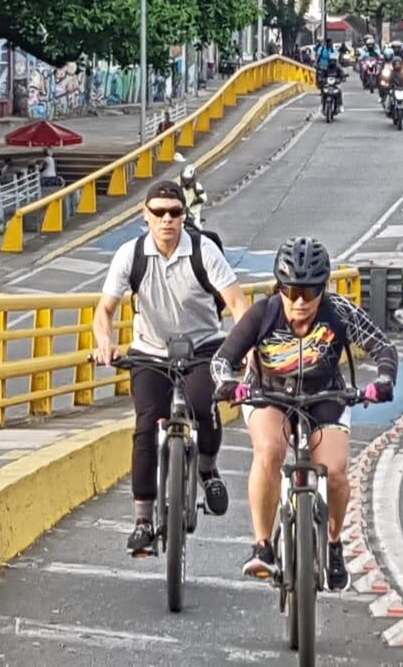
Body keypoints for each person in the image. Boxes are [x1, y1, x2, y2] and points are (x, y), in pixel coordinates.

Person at [211, 237, 397, 590]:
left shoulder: (339, 311)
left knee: (336, 472)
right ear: (279, 287)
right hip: (269, 393)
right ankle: (262, 546)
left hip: (325, 394)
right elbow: (223, 359)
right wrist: (227, 384)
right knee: (270, 451)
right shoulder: (263, 314)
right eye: (291, 291)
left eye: (310, 292)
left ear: (323, 288)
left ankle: (334, 545)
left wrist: (385, 379)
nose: (300, 301)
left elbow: (382, 346)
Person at [92, 182, 252, 556]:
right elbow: (105, 311)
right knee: (146, 425)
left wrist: (245, 346)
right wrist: (104, 342)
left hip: (204, 345)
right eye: (159, 212)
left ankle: (208, 469)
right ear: (145, 216)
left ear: (184, 216)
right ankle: (142, 521)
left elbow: (237, 303)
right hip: (150, 350)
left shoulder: (203, 250)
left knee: (203, 404)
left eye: (175, 212)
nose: (167, 220)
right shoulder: (130, 254)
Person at [178, 163, 209, 228]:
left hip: (194, 213)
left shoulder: (197, 186)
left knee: (197, 227)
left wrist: (195, 202)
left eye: (188, 180)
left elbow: (204, 198)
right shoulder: (179, 187)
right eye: (185, 180)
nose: (186, 182)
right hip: (182, 213)